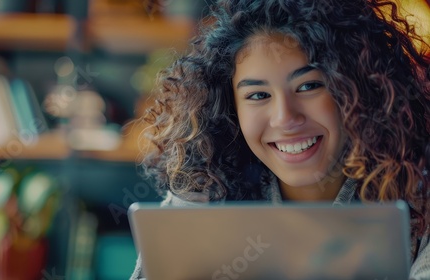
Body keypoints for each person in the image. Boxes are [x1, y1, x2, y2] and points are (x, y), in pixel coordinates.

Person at [131, 0, 430, 279]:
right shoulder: (204, 193)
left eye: (309, 86)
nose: (285, 118)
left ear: (359, 88)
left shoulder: (420, 199)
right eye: (258, 95)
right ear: (230, 108)